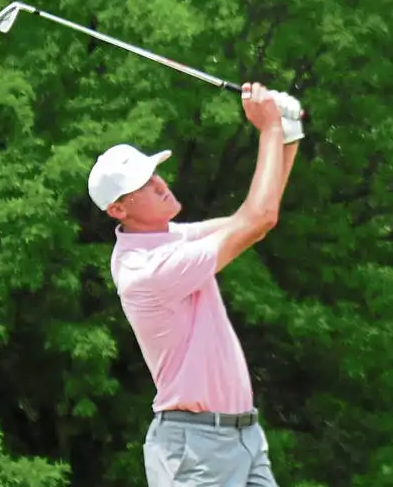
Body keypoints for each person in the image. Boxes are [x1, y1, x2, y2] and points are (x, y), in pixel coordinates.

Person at [87, 82, 304, 486]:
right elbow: (258, 221)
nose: (160, 184)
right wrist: (269, 130)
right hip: (196, 449)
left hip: (243, 438)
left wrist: (287, 136)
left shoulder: (171, 238)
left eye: (155, 175)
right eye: (143, 186)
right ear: (118, 209)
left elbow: (256, 216)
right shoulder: (147, 268)